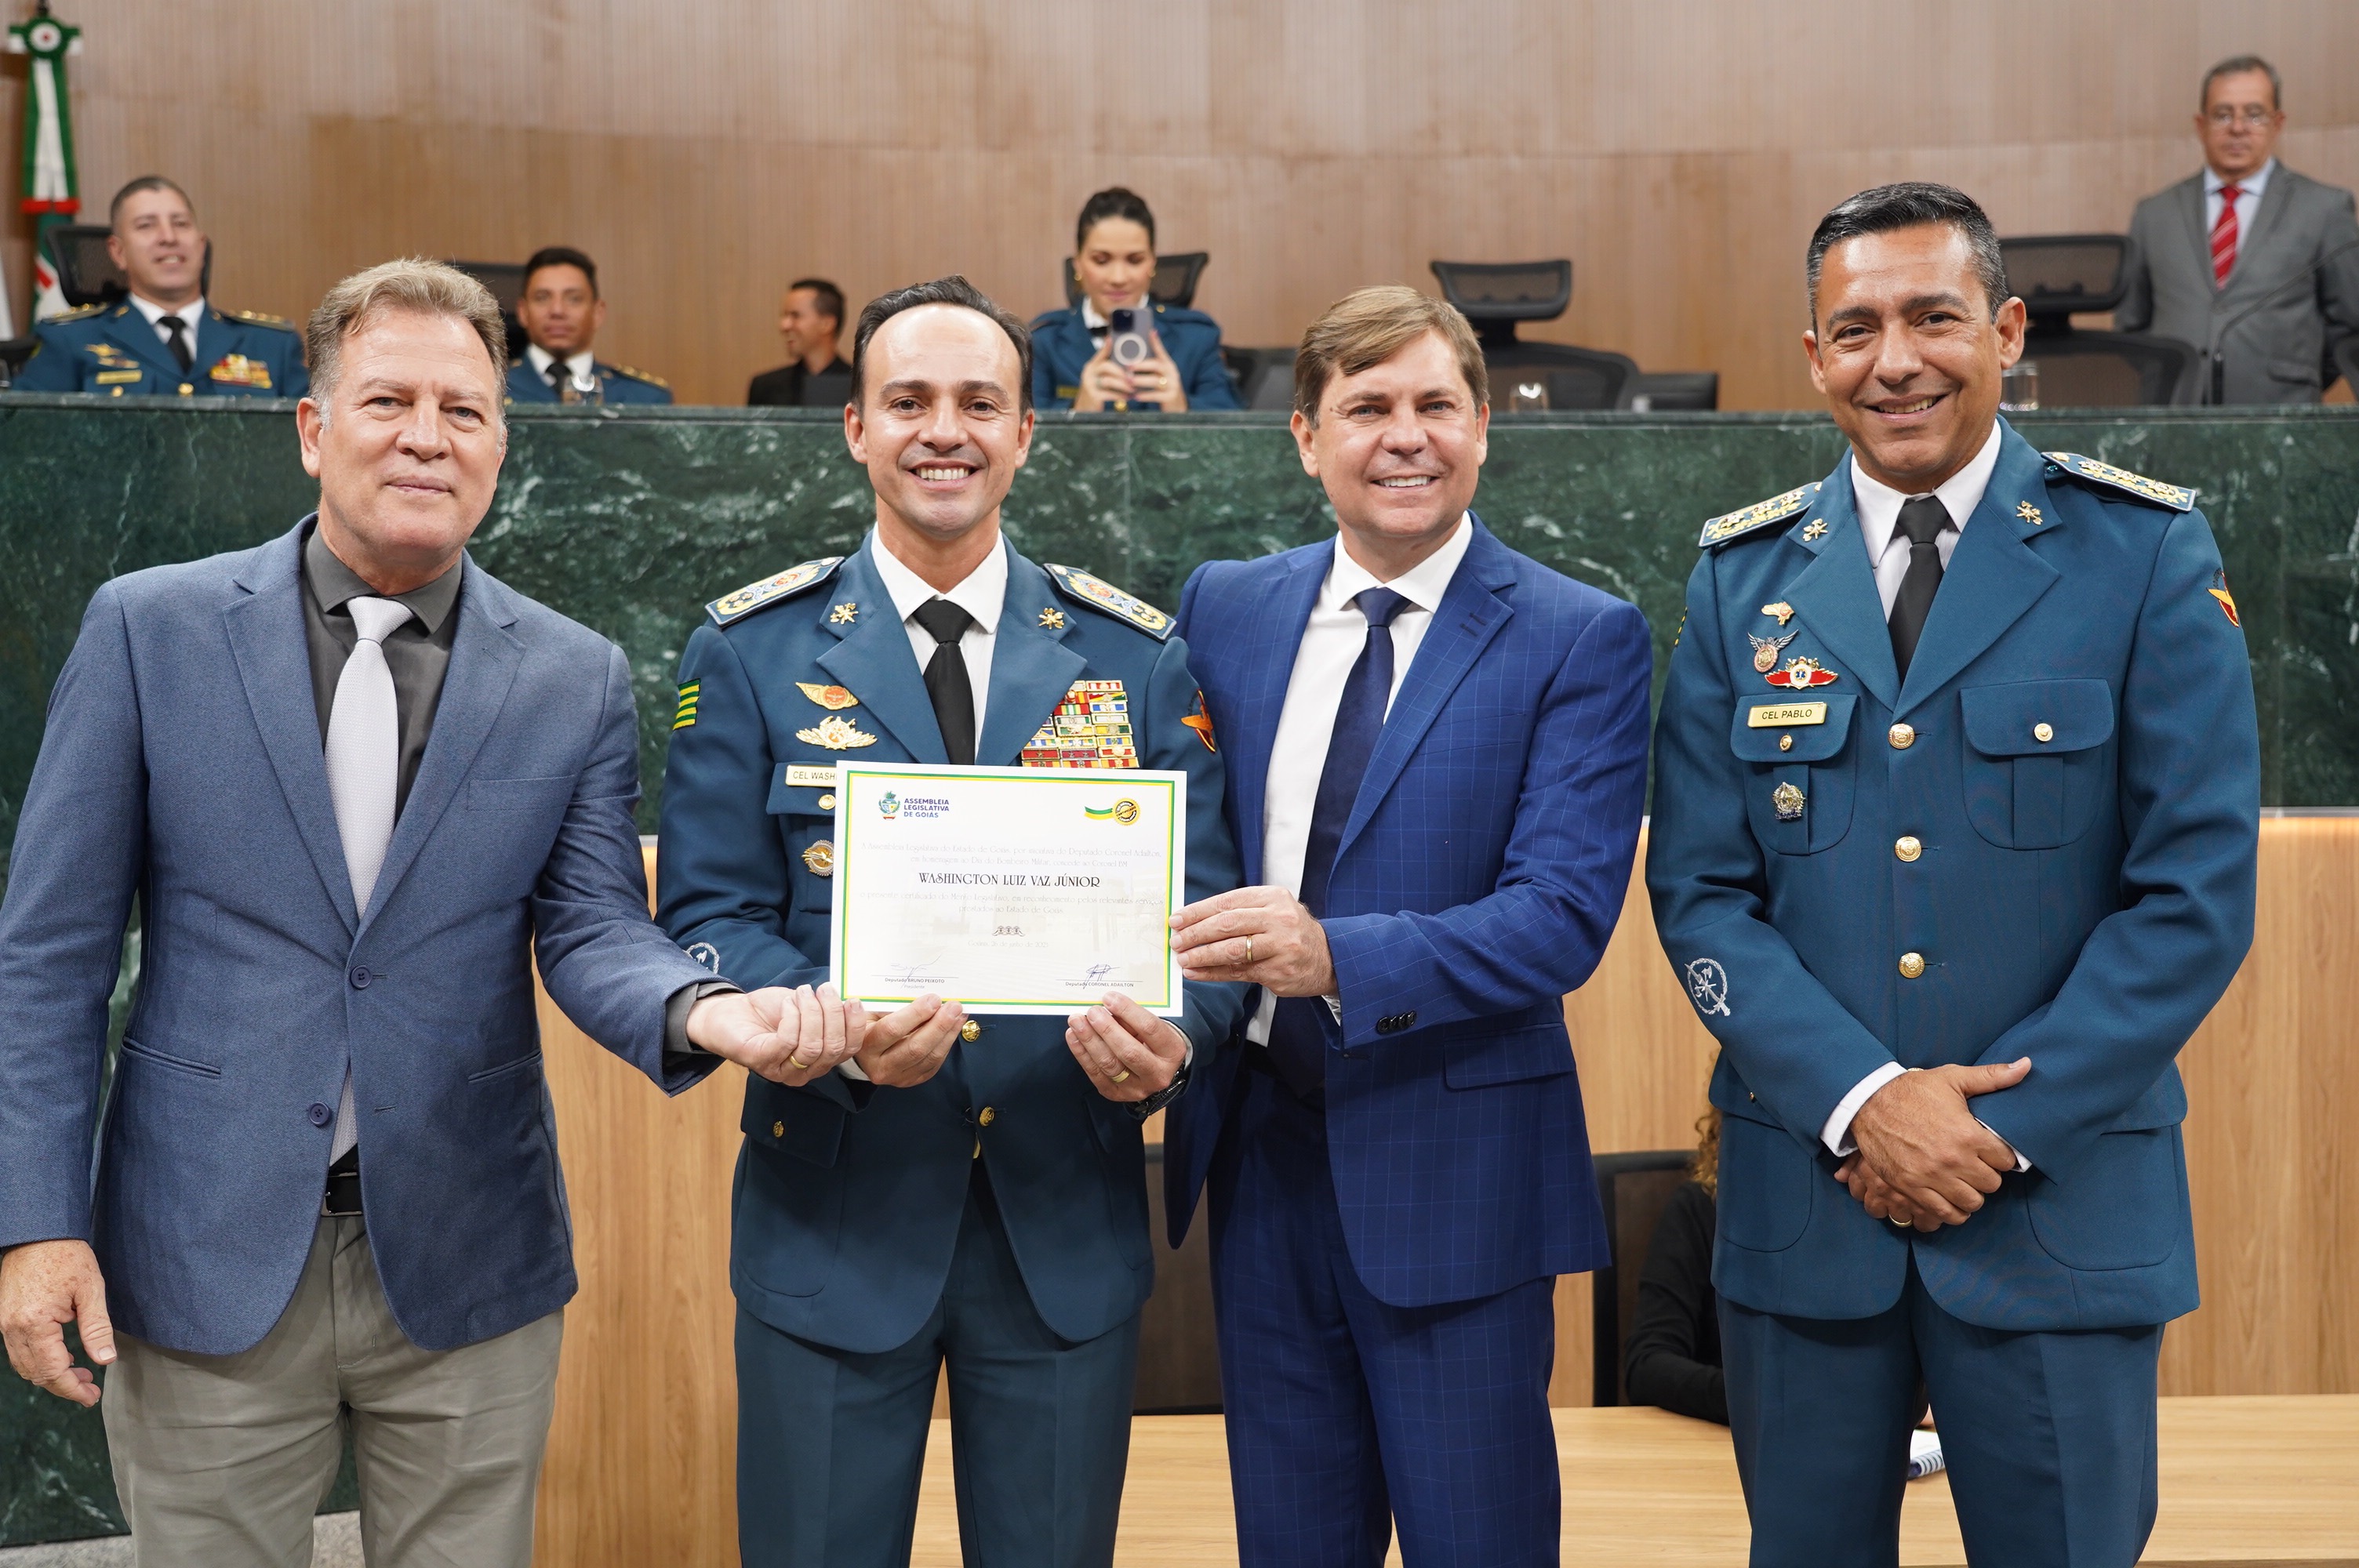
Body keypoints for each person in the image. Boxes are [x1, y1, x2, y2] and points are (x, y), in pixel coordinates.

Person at [0, 259, 840, 1567]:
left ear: (501, 445)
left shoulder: (572, 676)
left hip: (468, 1258)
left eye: (464, 410)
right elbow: (49, 958)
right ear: (312, 428)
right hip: (202, 1244)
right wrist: (37, 1223)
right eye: (387, 400)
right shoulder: (149, 632)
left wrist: (707, 1010)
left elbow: (591, 927)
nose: (425, 437)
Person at [1647, 182, 2259, 1567]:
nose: (1896, 361)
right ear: (1814, 356)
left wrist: (1988, 1128)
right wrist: (1866, 1105)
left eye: (1933, 317)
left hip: (2051, 1210)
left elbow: (2191, 896)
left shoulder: (2141, 553)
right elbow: (1700, 894)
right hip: (1811, 1213)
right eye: (1856, 329)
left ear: (2007, 332)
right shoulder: (1742, 581)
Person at [656, 274, 1245, 1568]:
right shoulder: (749, 652)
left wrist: (1177, 1040)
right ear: (855, 427)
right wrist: (830, 1026)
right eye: (908, 400)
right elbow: (707, 915)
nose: (944, 430)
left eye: (980, 403)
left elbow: (1201, 927)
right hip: (833, 1211)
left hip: (1061, 1219)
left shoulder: (1134, 658)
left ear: (1026, 432)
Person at [1162, 285, 1653, 1566]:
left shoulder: (1579, 636)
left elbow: (1559, 919)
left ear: (1482, 425)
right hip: (1259, 1158)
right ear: (1305, 437)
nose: (1405, 436)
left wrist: (1335, 957)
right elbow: (1173, 851)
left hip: (1460, 1174)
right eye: (1366, 407)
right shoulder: (1222, 608)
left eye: (1436, 404)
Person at [2118, 54, 2359, 403]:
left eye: (2255, 114)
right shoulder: (2154, 214)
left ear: (2278, 123)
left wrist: (2295, 374)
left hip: (2281, 411)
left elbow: (2350, 323)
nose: (2238, 127)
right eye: (2223, 114)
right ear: (2201, 124)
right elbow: (2131, 325)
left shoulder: (2324, 208)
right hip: (2175, 416)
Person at [14, 176, 306, 398]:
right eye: (146, 225)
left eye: (180, 223)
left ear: (201, 246)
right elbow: (23, 440)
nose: (168, 237)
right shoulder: (70, 340)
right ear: (118, 252)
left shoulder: (272, 345)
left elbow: (315, 441)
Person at [1030, 187, 1238, 412]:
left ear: (1152, 264)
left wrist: (1183, 408)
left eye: (1135, 260)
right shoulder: (1044, 340)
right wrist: (1075, 411)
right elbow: (1020, 426)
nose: (1118, 278)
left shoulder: (1197, 337)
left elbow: (1238, 426)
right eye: (1101, 261)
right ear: (1078, 264)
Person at [1623, 1109, 1727, 1425]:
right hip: (1724, 1438)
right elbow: (1648, 1363)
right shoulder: (1701, 1208)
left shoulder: (1853, 1211)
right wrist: (1753, 1400)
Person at [503, 245, 672, 405]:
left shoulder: (644, 396)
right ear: (523, 312)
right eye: (542, 298)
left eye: (574, 299)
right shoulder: (496, 385)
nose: (557, 311)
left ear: (598, 313)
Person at [747, 277, 852, 406]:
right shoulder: (766, 387)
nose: (784, 325)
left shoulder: (858, 387)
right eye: (784, 316)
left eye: (795, 316)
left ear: (827, 324)